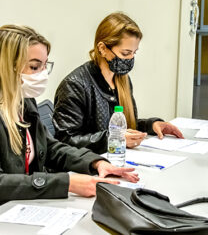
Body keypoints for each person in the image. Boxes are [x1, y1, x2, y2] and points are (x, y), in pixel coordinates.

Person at [0, 24, 139, 204]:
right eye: (34, 67)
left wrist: (95, 163)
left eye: (44, 66)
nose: (42, 75)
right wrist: (66, 183)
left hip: (23, 205)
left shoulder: (24, 100)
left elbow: (51, 148)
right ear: (6, 67)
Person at [53, 12, 183, 154]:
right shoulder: (75, 85)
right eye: (125, 54)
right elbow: (66, 140)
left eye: (134, 53)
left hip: (115, 158)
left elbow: (122, 126)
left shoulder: (121, 79)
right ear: (102, 49)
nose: (130, 59)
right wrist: (115, 138)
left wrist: (151, 125)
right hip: (88, 166)